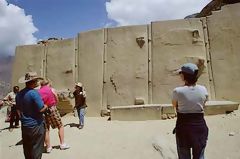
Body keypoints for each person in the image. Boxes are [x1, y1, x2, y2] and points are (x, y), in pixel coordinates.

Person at [172, 63, 209, 159]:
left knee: (184, 156)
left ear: (184, 76)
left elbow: (175, 106)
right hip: (200, 127)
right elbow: (204, 105)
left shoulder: (177, 91)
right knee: (200, 156)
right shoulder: (203, 89)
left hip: (183, 128)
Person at [16, 72, 48, 159]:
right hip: (36, 125)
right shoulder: (34, 93)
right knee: (36, 149)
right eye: (36, 81)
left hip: (25, 125)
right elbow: (41, 109)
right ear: (33, 82)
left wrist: (23, 119)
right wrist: (46, 105)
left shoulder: (19, 94)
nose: (37, 82)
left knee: (27, 149)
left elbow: (18, 109)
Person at [38, 79, 70, 153]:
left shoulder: (38, 91)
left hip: (43, 110)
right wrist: (55, 104)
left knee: (46, 129)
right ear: (48, 83)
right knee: (60, 126)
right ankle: (62, 144)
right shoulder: (51, 89)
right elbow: (56, 99)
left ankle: (48, 147)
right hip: (52, 108)